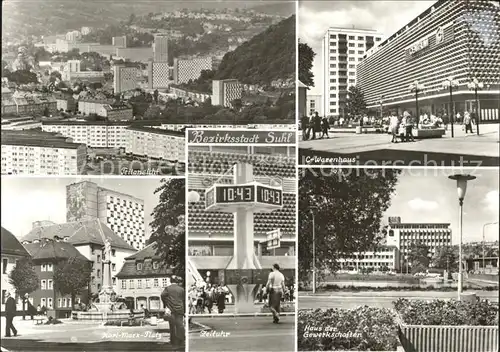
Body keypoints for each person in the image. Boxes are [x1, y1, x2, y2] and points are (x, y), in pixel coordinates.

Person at [161, 276, 185, 347]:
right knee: (180, 325)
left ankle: (173, 341)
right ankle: (181, 340)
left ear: (171, 281)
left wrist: (166, 303)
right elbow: (183, 299)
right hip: (180, 309)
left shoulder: (168, 288)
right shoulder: (181, 289)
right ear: (177, 281)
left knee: (172, 325)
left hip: (171, 310)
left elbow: (162, 295)